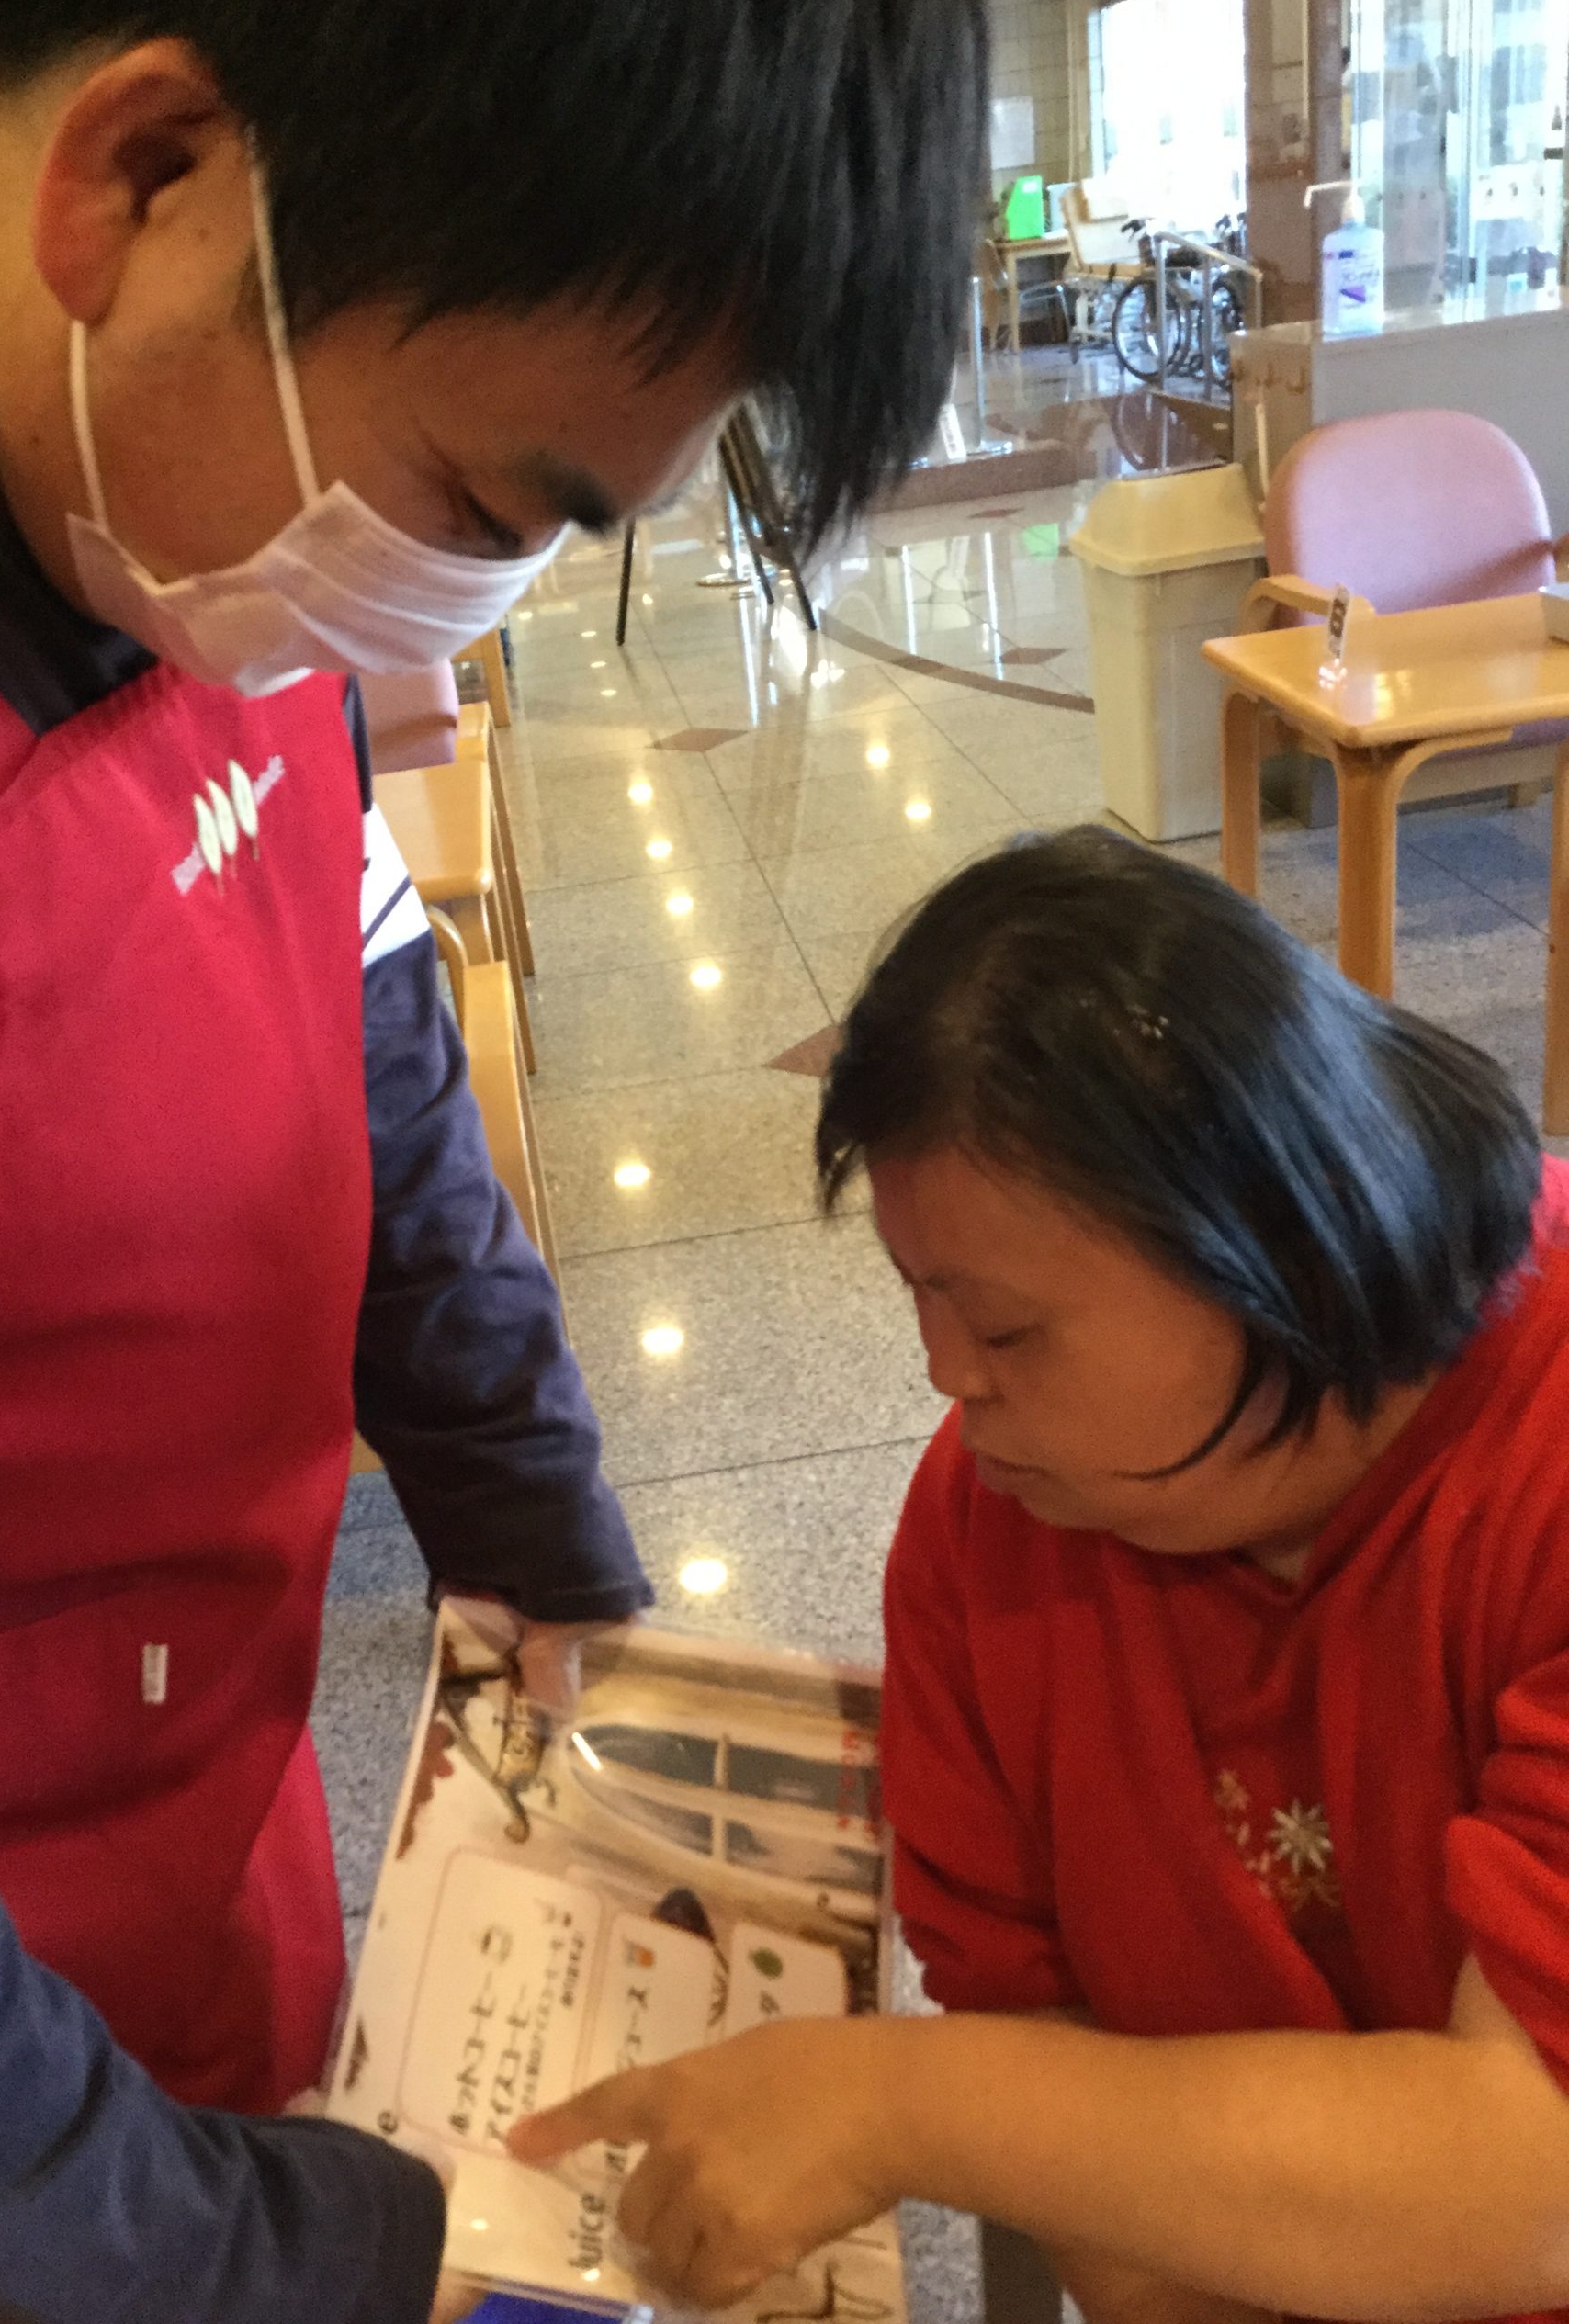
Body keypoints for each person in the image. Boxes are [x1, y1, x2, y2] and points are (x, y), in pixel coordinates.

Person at [0, 0, 985, 2318]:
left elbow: (377, 1074)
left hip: (203, 1862)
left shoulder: (146, 478)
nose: (449, 610)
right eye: (475, 508)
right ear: (147, 179)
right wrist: (333, 2256)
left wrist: (548, 1555)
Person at [515, 827, 1569, 2324]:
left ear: (1283, 1242)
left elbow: (1531, 2185)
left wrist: (898, 2105)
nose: (948, 1380)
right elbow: (1066, 2108)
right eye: (920, 1301)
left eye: (1005, 1329)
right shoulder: (990, 1537)